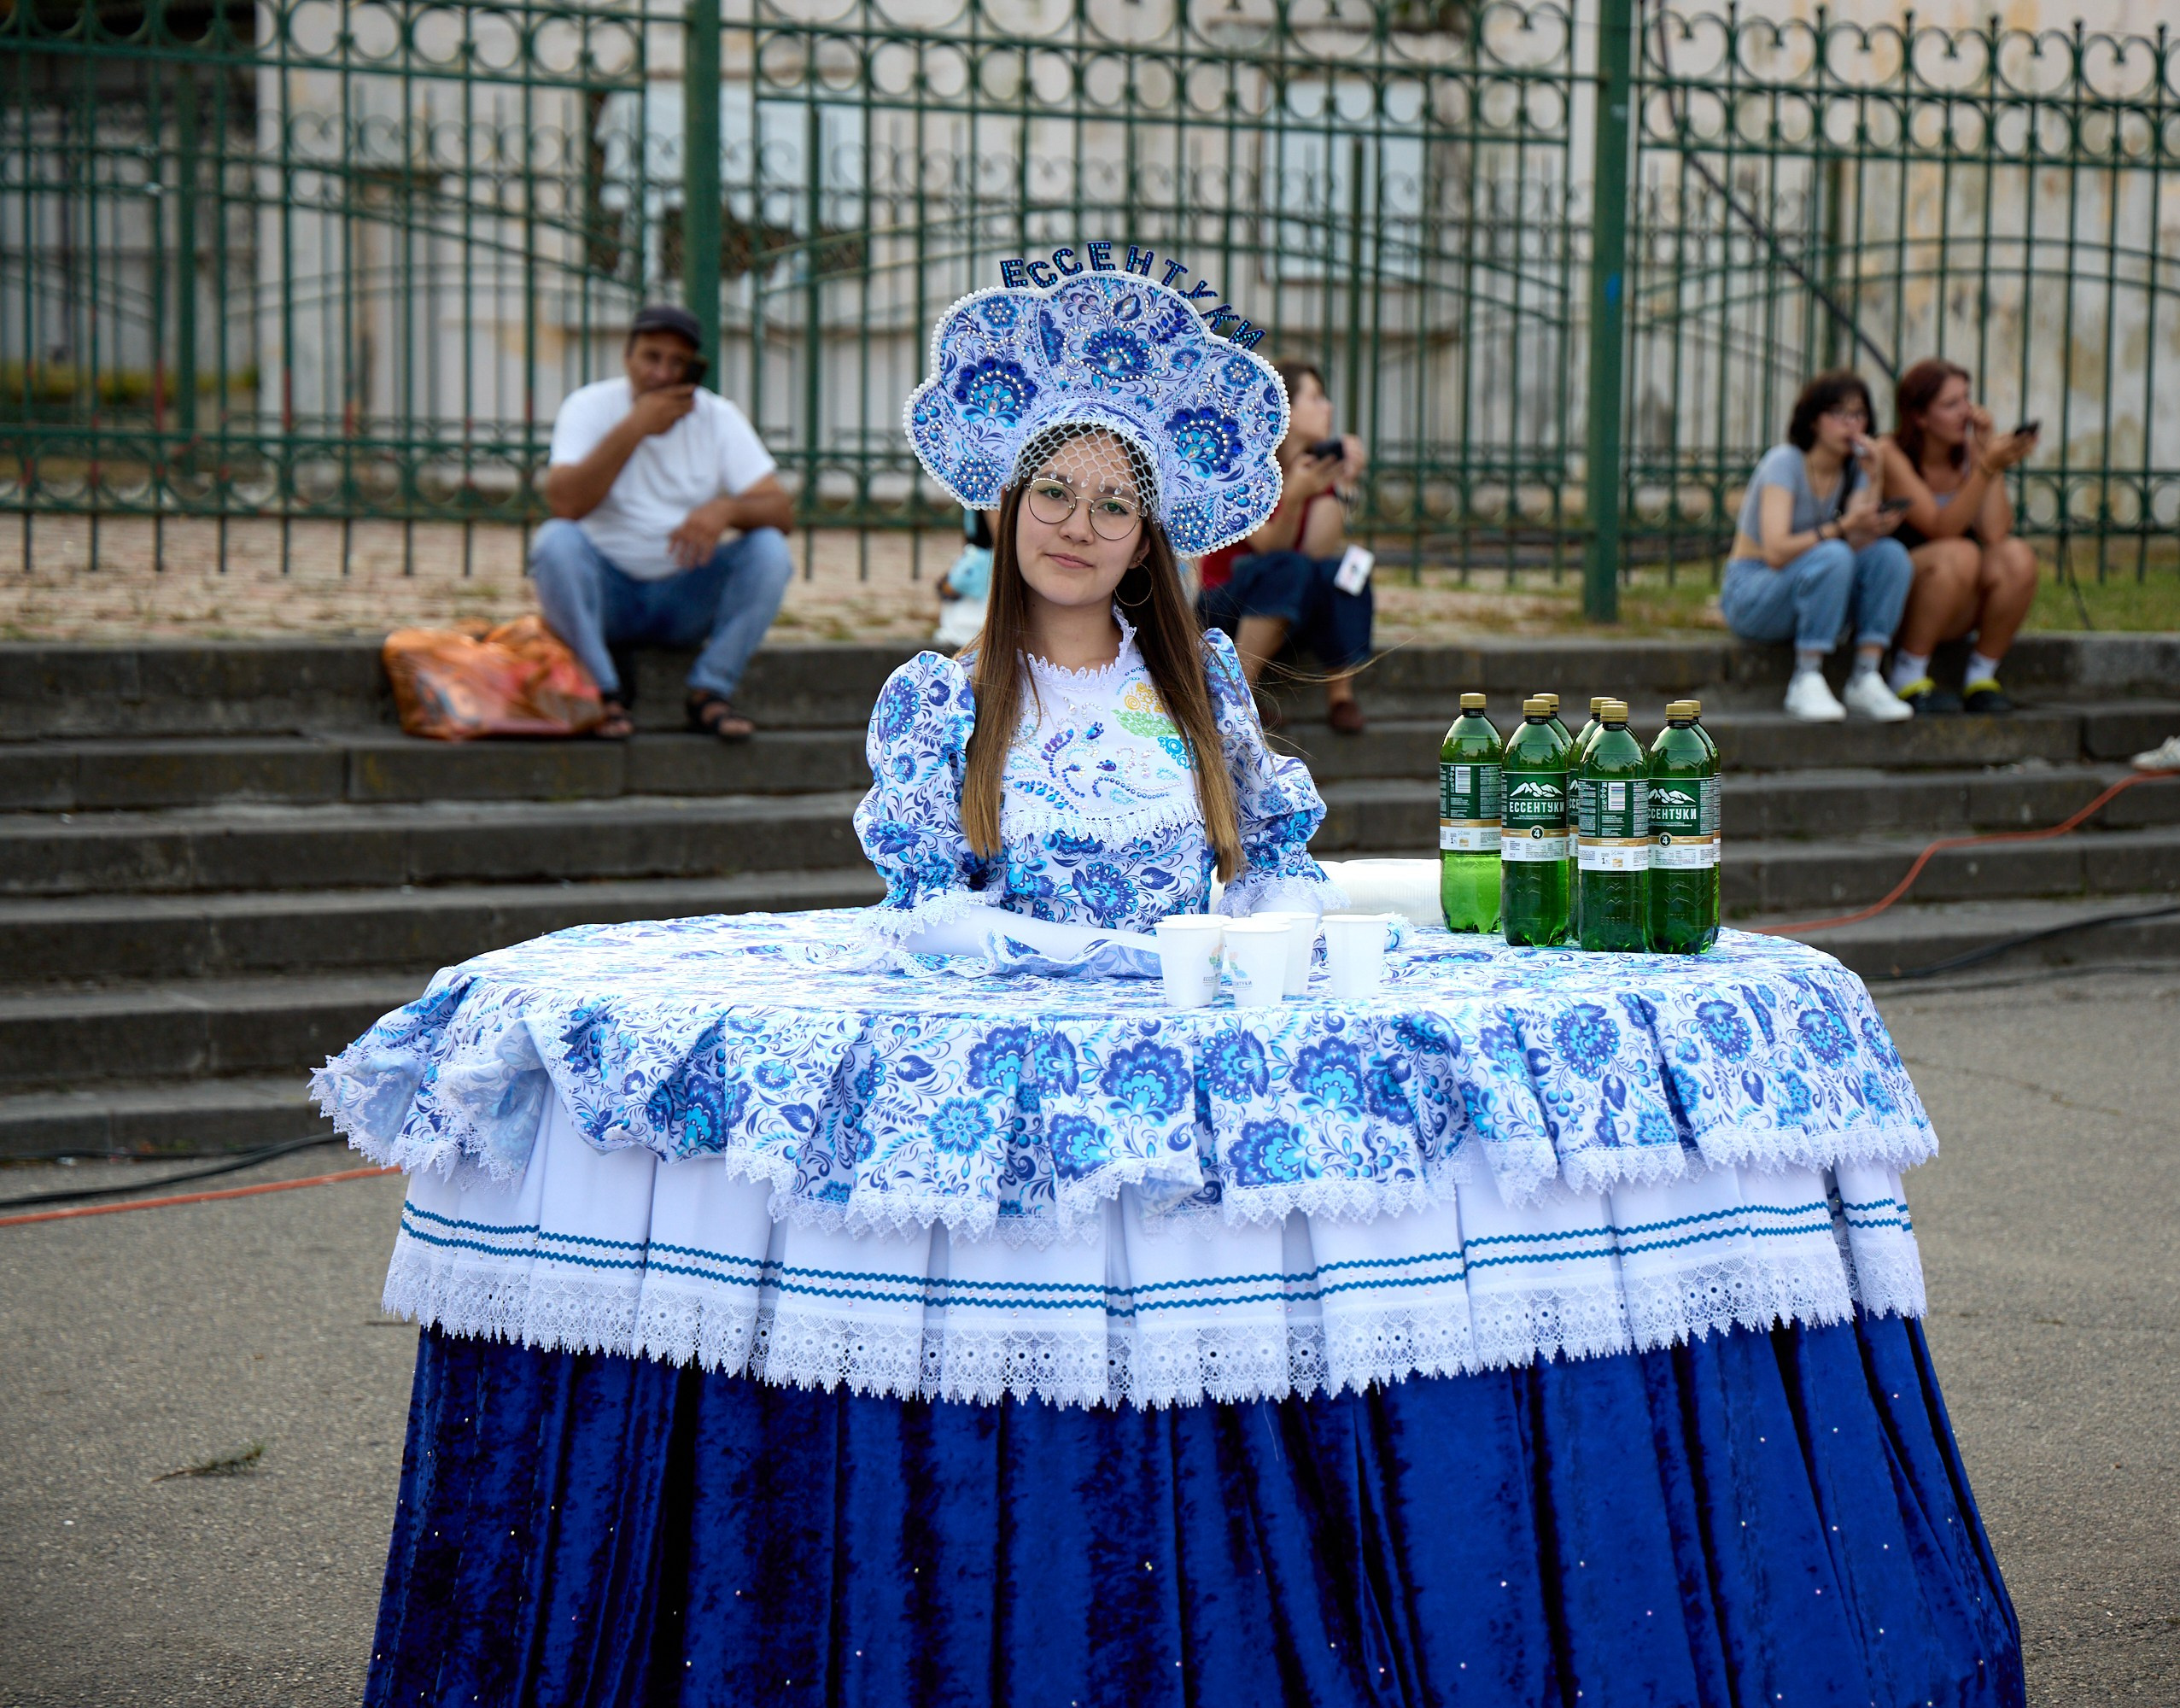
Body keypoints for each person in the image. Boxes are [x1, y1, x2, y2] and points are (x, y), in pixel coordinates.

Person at [323, 268, 2022, 1708]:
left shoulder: (1199, 680)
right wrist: (1027, 955)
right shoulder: (940, 696)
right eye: (1052, 493)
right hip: (1021, 1037)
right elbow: (923, 899)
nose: (1077, 525)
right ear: (1002, 504)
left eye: (1112, 501)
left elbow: (1271, 854)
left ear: (1155, 529)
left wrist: (1262, 935)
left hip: (1194, 1020)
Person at [530, 303, 794, 741]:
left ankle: (711, 690)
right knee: (555, 541)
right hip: (607, 591)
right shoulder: (589, 406)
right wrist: (635, 427)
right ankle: (603, 692)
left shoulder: (717, 416)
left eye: (677, 363)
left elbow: (781, 512)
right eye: (651, 357)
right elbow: (566, 503)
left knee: (769, 550)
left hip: (684, 593)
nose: (662, 373)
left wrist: (726, 510)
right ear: (628, 357)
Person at [1721, 370, 1914, 722]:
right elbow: (1776, 552)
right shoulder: (1785, 463)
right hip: (1754, 592)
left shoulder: (1854, 469)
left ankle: (1866, 676)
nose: (1851, 425)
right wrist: (1842, 528)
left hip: (1814, 583)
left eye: (1859, 415)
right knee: (1834, 553)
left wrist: (1874, 478)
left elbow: (1859, 541)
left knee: (1890, 555)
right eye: (1840, 414)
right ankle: (1806, 678)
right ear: (1813, 420)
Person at [1195, 359, 1372, 734]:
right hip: (1226, 602)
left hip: (1284, 602)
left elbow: (1317, 551)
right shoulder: (1243, 463)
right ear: (1286, 405)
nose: (1330, 407)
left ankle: (1340, 694)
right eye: (1317, 397)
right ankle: (1237, 694)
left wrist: (1342, 488)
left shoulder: (1315, 468)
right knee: (1288, 567)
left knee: (1345, 570)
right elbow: (1273, 547)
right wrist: (1292, 499)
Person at [1878, 360, 2041, 714]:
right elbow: (1940, 528)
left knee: (2017, 556)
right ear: (1919, 416)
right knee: (1960, 553)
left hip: (1955, 601)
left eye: (1967, 400)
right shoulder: (1890, 453)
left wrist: (1986, 457)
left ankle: (1981, 677)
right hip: (1899, 602)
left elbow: (1995, 532)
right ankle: (1908, 673)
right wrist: (1985, 469)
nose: (1966, 413)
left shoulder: (1968, 453)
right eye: (1951, 405)